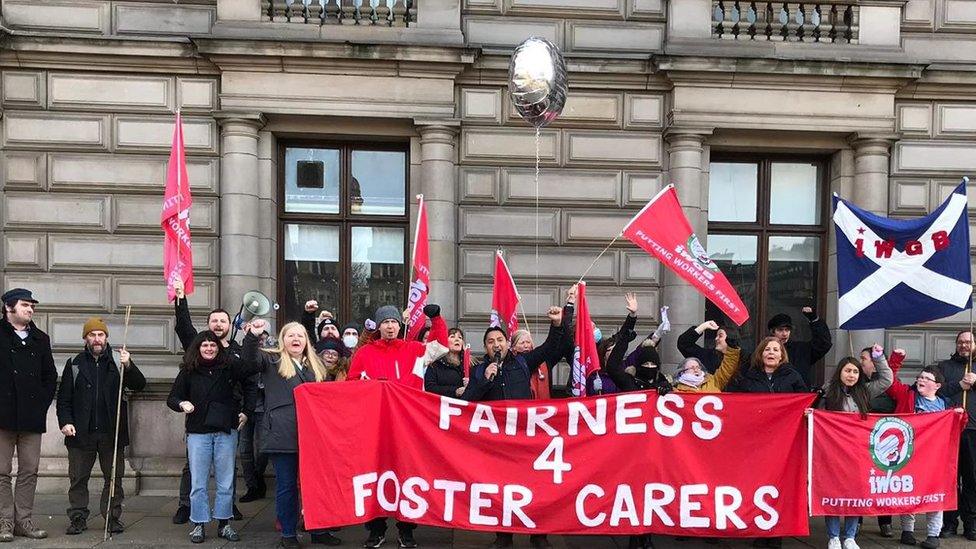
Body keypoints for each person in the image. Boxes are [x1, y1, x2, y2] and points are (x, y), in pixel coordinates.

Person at [348, 303, 448, 549]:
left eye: (393, 322)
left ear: (399, 325)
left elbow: (442, 346)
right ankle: (376, 530)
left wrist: (436, 320)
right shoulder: (364, 353)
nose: (390, 326)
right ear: (378, 327)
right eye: (385, 322)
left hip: (407, 428)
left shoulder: (414, 349)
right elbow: (351, 385)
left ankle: (406, 530)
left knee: (407, 476)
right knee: (376, 477)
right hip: (375, 428)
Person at [463, 306, 562, 549]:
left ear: (508, 344)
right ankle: (503, 535)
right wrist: (486, 379)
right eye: (490, 342)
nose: (496, 345)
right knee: (502, 486)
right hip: (496, 441)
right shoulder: (479, 370)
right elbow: (468, 401)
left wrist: (558, 324)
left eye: (500, 340)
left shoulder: (523, 362)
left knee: (534, 485)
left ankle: (539, 534)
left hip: (525, 437)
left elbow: (550, 348)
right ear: (485, 347)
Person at [241, 319, 339, 548]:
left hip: (313, 435)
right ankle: (288, 533)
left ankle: (318, 530)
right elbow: (248, 361)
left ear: (306, 341)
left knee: (315, 485)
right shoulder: (270, 360)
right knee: (286, 486)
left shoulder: (315, 366)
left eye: (300, 336)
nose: (296, 339)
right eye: (290, 335)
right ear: (283, 340)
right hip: (283, 434)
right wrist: (252, 336)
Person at [57, 317, 146, 536]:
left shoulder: (118, 361)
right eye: (92, 335)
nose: (97, 339)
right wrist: (65, 422)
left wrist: (129, 365)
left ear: (106, 337)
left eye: (100, 335)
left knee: (113, 478)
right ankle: (77, 518)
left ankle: (112, 518)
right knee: (78, 478)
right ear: (85, 338)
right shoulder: (75, 363)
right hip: (81, 433)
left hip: (111, 432)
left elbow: (139, 384)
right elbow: (64, 399)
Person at [171, 278, 249, 524]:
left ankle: (227, 509)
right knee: (192, 468)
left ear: (229, 325)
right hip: (200, 419)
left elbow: (249, 380)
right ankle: (186, 506)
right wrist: (180, 299)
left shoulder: (236, 350)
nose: (218, 324)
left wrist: (246, 410)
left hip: (229, 417)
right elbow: (184, 327)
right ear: (208, 326)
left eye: (222, 320)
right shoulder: (198, 346)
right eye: (213, 320)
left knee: (228, 469)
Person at [167, 331, 257, 544]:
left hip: (226, 430)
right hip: (198, 433)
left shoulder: (230, 367)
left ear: (219, 347)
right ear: (198, 348)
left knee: (226, 482)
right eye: (204, 345)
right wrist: (182, 404)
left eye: (213, 345)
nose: (209, 348)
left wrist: (247, 410)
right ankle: (198, 523)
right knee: (198, 481)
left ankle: (224, 523)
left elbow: (251, 378)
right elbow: (173, 397)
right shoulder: (189, 371)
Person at [819, 345, 893, 549]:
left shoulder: (865, 391)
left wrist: (879, 358)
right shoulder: (827, 392)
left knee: (855, 492)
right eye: (847, 370)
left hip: (858, 451)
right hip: (833, 452)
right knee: (832, 493)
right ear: (839, 372)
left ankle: (849, 536)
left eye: (855, 371)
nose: (851, 375)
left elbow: (887, 380)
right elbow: (818, 416)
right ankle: (833, 536)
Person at [886, 352, 962, 549]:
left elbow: (958, 427)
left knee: (934, 494)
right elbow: (889, 381)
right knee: (908, 492)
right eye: (920, 377)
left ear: (937, 385)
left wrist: (960, 415)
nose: (921, 380)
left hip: (935, 459)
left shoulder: (946, 404)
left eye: (926, 378)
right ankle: (907, 531)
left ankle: (933, 534)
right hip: (910, 456)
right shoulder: (907, 396)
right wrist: (895, 359)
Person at [0, 288, 56, 542]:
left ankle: (24, 521)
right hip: (2, 416)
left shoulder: (41, 339)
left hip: (32, 418)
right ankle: (5, 522)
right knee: (1, 472)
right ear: (9, 308)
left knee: (29, 471)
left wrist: (41, 405)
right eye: (25, 305)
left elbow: (50, 376)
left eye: (32, 306)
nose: (30, 309)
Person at [936, 330, 976, 539]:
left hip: (973, 432)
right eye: (960, 342)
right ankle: (949, 523)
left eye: (968, 342)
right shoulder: (944, 367)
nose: (964, 345)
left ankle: (972, 524)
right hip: (949, 430)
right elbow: (936, 391)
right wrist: (958, 385)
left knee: (972, 479)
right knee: (950, 479)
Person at [859, 346, 898, 538]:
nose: (860, 362)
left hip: (881, 441)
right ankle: (856, 520)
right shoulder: (856, 384)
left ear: (874, 365)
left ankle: (885, 521)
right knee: (858, 481)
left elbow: (889, 403)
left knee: (883, 482)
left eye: (863, 359)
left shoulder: (880, 386)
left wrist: (879, 355)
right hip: (858, 442)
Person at [767, 307, 832, 388]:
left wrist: (814, 320)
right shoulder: (764, 352)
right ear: (772, 332)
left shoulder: (801, 350)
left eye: (787, 330)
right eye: (780, 330)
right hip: (773, 397)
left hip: (799, 397)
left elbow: (823, 343)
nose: (784, 334)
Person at [673, 324, 741, 394]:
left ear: (731, 338)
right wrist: (703, 326)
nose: (716, 339)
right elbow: (684, 344)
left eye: (720, 336)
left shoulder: (744, 359)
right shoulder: (707, 356)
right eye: (692, 368)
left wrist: (732, 349)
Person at [730, 337, 807, 395]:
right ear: (761, 355)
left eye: (775, 350)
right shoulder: (749, 377)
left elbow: (804, 399)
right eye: (767, 349)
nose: (771, 352)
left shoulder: (792, 376)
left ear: (781, 356)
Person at [424, 328, 467, 398]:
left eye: (460, 337)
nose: (457, 339)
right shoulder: (435, 365)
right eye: (452, 337)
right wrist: (454, 391)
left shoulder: (470, 364)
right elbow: (430, 388)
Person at [510, 329, 552, 400]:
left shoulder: (542, 361)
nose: (526, 345)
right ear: (514, 347)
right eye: (522, 343)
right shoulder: (512, 363)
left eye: (528, 342)